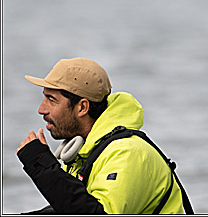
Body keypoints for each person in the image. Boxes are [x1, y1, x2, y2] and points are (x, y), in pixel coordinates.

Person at [16, 57, 190, 214]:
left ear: (82, 107)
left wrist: (42, 166)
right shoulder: (85, 152)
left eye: (51, 99)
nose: (41, 109)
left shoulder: (127, 152)